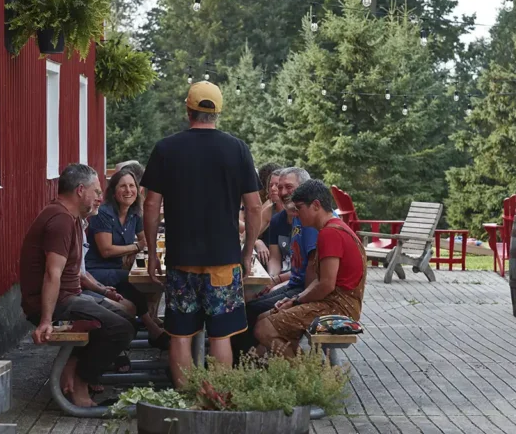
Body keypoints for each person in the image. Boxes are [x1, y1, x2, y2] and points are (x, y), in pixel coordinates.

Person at [141, 81, 263, 388]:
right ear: (218, 112)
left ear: (188, 109)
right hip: (224, 260)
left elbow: (152, 204)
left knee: (180, 334)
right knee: (221, 334)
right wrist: (247, 252)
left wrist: (154, 254)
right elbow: (254, 206)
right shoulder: (237, 149)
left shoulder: (166, 148)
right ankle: (216, 398)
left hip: (181, 260)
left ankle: (185, 400)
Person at [19, 164, 136, 408]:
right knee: (120, 329)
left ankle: (72, 368)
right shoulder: (60, 220)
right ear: (80, 190)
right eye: (96, 191)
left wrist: (103, 292)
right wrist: (45, 321)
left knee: (125, 311)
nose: (100, 197)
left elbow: (76, 272)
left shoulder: (70, 217)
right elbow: (53, 273)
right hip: (56, 302)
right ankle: (81, 385)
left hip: (71, 295)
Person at [255, 179, 367, 358]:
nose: (297, 214)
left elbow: (326, 285)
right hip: (331, 303)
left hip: (338, 309)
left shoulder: (330, 233)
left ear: (316, 205)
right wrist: (294, 300)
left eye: (299, 208)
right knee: (264, 318)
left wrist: (296, 302)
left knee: (263, 328)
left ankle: (302, 376)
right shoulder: (333, 228)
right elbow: (320, 280)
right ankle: (293, 370)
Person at [231, 167, 315, 360]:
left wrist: (276, 281)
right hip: (294, 281)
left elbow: (311, 275)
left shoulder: (309, 221)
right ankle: (245, 360)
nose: (281, 191)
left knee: (253, 311)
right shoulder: (282, 218)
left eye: (287, 187)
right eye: (276, 186)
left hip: (301, 286)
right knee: (246, 304)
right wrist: (270, 279)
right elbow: (276, 258)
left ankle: (245, 361)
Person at [85, 168, 169, 349]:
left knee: (153, 275)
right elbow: (106, 250)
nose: (128, 190)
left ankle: (153, 321)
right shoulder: (104, 213)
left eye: (132, 186)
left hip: (116, 267)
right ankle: (152, 327)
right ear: (114, 191)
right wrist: (136, 247)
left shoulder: (134, 213)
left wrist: (140, 246)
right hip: (94, 271)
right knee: (130, 280)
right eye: (122, 186)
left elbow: (145, 238)